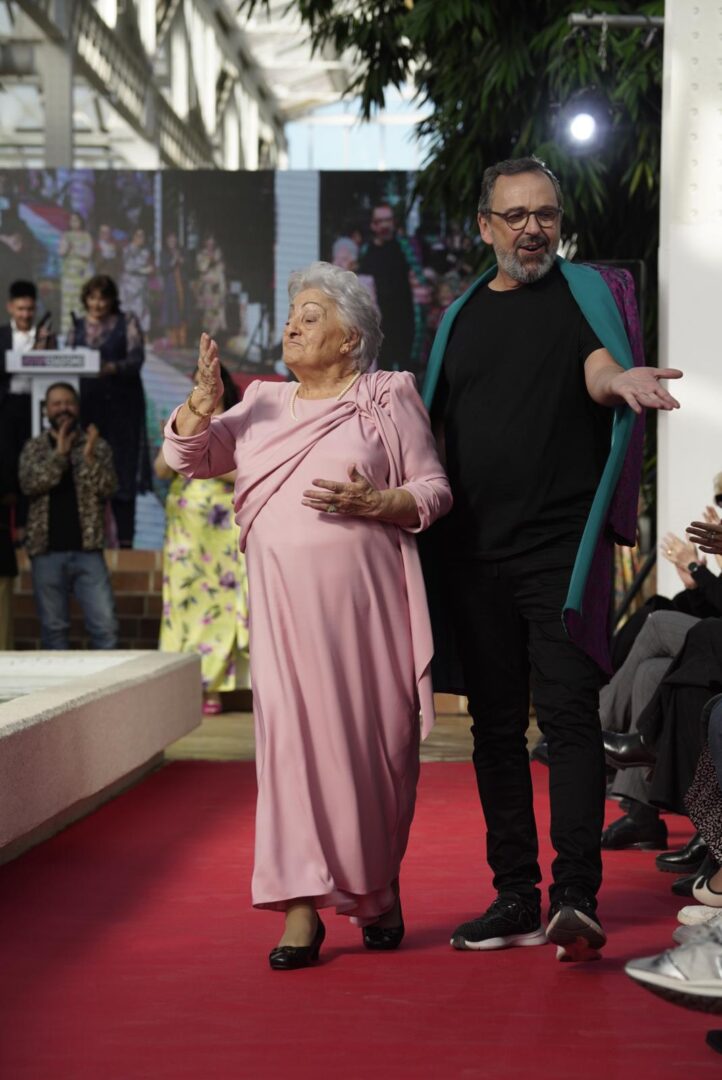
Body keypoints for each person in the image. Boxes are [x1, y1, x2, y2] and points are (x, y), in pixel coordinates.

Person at [421, 156, 682, 961]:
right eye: (517, 215)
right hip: (472, 555)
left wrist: (620, 382)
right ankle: (513, 896)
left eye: (546, 214)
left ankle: (575, 896)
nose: (534, 228)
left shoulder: (582, 299)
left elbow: (596, 367)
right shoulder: (460, 317)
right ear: (485, 226)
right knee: (495, 729)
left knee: (568, 719)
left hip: (560, 556)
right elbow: (430, 425)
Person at [162, 261, 451, 970]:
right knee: (290, 754)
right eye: (294, 312)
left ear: (352, 338)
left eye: (313, 314)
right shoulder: (259, 402)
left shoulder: (387, 394)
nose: (293, 323)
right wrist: (201, 403)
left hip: (369, 621)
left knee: (375, 755)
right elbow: (186, 458)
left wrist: (381, 504)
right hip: (286, 624)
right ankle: (299, 911)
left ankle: (378, 890)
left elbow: (434, 487)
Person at [155, 365, 249, 714]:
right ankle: (186, 686)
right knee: (185, 600)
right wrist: (181, 445)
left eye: (208, 378)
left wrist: (204, 463)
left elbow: (248, 472)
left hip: (225, 530)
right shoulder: (184, 416)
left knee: (222, 605)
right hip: (187, 533)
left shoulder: (237, 421)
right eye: (197, 378)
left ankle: (215, 688)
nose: (202, 383)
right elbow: (162, 468)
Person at [18, 382, 118, 649]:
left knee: (105, 627)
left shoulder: (96, 446)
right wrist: (59, 456)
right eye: (56, 404)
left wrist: (87, 458)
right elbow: (29, 485)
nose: (64, 409)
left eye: (69, 403)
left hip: (88, 550)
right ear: (46, 410)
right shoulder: (35, 448)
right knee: (54, 630)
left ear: (78, 407)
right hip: (46, 552)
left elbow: (108, 488)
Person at [69, 274, 152, 549]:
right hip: (87, 407)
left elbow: (137, 358)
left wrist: (112, 368)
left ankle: (126, 544)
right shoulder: (76, 326)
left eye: (103, 297)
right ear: (85, 299)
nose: (97, 303)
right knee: (88, 468)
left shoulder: (127, 322)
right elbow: (67, 362)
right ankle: (88, 542)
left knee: (122, 474)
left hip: (123, 409)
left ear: (111, 299)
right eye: (92, 297)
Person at [358, 203, 429, 376]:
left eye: (388, 220)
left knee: (406, 372)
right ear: (373, 224)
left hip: (404, 320)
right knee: (382, 372)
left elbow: (419, 281)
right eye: (380, 221)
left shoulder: (405, 247)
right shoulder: (367, 252)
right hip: (379, 324)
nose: (385, 225)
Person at [59, 212, 93, 333]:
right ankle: (66, 331)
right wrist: (68, 246)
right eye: (72, 220)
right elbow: (61, 252)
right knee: (68, 304)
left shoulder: (86, 236)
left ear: (81, 222)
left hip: (81, 275)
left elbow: (87, 254)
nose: (74, 223)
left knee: (80, 302)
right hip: (68, 276)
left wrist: (75, 250)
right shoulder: (65, 235)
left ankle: (80, 331)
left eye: (76, 220)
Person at [120, 228, 154, 334]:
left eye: (143, 236)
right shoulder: (127, 250)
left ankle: (142, 336)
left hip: (142, 286)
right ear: (133, 236)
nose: (141, 238)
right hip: (129, 286)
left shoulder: (145, 252)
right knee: (128, 310)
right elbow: (128, 266)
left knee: (142, 311)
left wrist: (148, 270)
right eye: (139, 236)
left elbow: (151, 267)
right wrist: (144, 270)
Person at [195, 233, 226, 338]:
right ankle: (208, 333)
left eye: (212, 240)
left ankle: (215, 334)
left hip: (217, 286)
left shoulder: (218, 254)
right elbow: (202, 268)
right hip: (207, 286)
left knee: (217, 309)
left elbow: (221, 269)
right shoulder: (201, 254)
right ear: (205, 242)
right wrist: (210, 259)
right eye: (209, 240)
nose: (211, 243)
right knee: (208, 311)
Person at [160, 232, 187, 347]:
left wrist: (181, 260)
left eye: (174, 240)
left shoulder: (182, 252)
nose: (172, 242)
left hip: (181, 286)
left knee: (182, 311)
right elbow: (164, 268)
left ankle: (182, 340)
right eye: (170, 240)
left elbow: (188, 267)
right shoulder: (164, 253)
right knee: (171, 312)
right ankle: (172, 340)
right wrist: (173, 261)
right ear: (167, 241)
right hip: (170, 287)